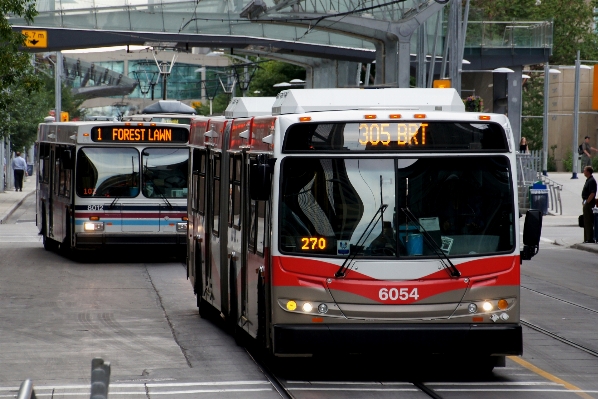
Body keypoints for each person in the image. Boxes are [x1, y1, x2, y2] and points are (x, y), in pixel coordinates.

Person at [581, 166, 597, 243]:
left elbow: (592, 193)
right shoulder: (588, 180)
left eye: (585, 170)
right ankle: (586, 238)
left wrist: (587, 202)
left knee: (588, 221)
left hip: (589, 203)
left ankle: (590, 238)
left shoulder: (591, 181)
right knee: (585, 221)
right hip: (586, 202)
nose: (584, 171)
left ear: (588, 172)